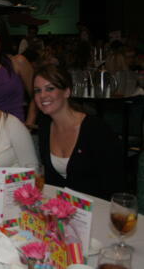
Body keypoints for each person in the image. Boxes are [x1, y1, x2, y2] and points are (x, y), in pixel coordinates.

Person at [33, 64, 124, 200]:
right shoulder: (45, 126)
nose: (42, 95)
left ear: (67, 92)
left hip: (96, 211)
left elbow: (114, 187)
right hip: (60, 210)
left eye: (50, 89)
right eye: (37, 90)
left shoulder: (96, 130)